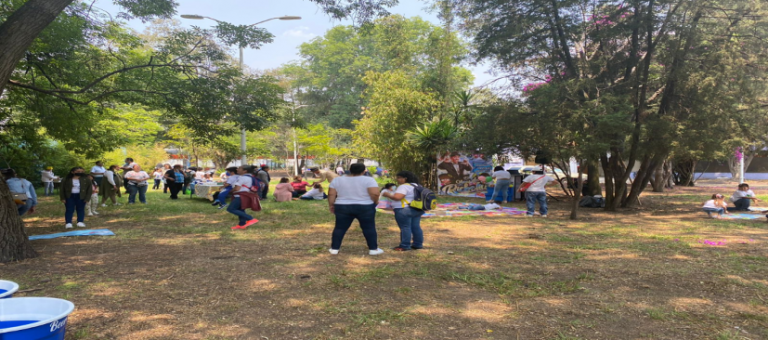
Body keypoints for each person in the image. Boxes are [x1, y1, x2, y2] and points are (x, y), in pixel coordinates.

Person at [327, 163, 384, 255]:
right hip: (365, 206)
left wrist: (331, 205)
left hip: (342, 205)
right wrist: (376, 202)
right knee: (369, 227)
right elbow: (375, 194)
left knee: (340, 228)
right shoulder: (369, 180)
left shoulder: (337, 180)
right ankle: (373, 249)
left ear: (350, 169)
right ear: (364, 170)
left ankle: (334, 249)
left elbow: (331, 194)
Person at [381, 171, 424, 251]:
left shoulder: (404, 186)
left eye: (399, 178)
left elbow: (398, 197)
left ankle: (405, 245)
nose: (397, 180)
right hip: (417, 209)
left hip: (404, 209)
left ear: (405, 178)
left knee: (405, 227)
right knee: (416, 226)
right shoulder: (418, 185)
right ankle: (418, 244)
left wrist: (387, 194)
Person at [227, 165, 260, 230]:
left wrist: (230, 191)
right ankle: (242, 224)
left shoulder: (242, 178)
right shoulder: (251, 177)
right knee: (241, 210)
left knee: (231, 209)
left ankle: (251, 218)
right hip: (246, 195)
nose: (237, 169)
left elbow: (237, 188)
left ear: (245, 171)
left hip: (239, 196)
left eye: (239, 168)